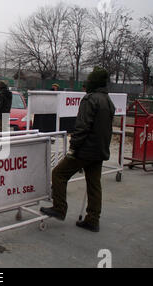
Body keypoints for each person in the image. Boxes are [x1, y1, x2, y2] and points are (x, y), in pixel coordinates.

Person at [40, 67, 116, 233]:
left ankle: (59, 208)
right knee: (94, 185)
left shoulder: (90, 100)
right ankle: (93, 219)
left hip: (85, 150)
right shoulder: (108, 101)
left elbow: (82, 127)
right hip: (99, 150)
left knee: (59, 174)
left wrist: (74, 147)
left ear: (93, 82)